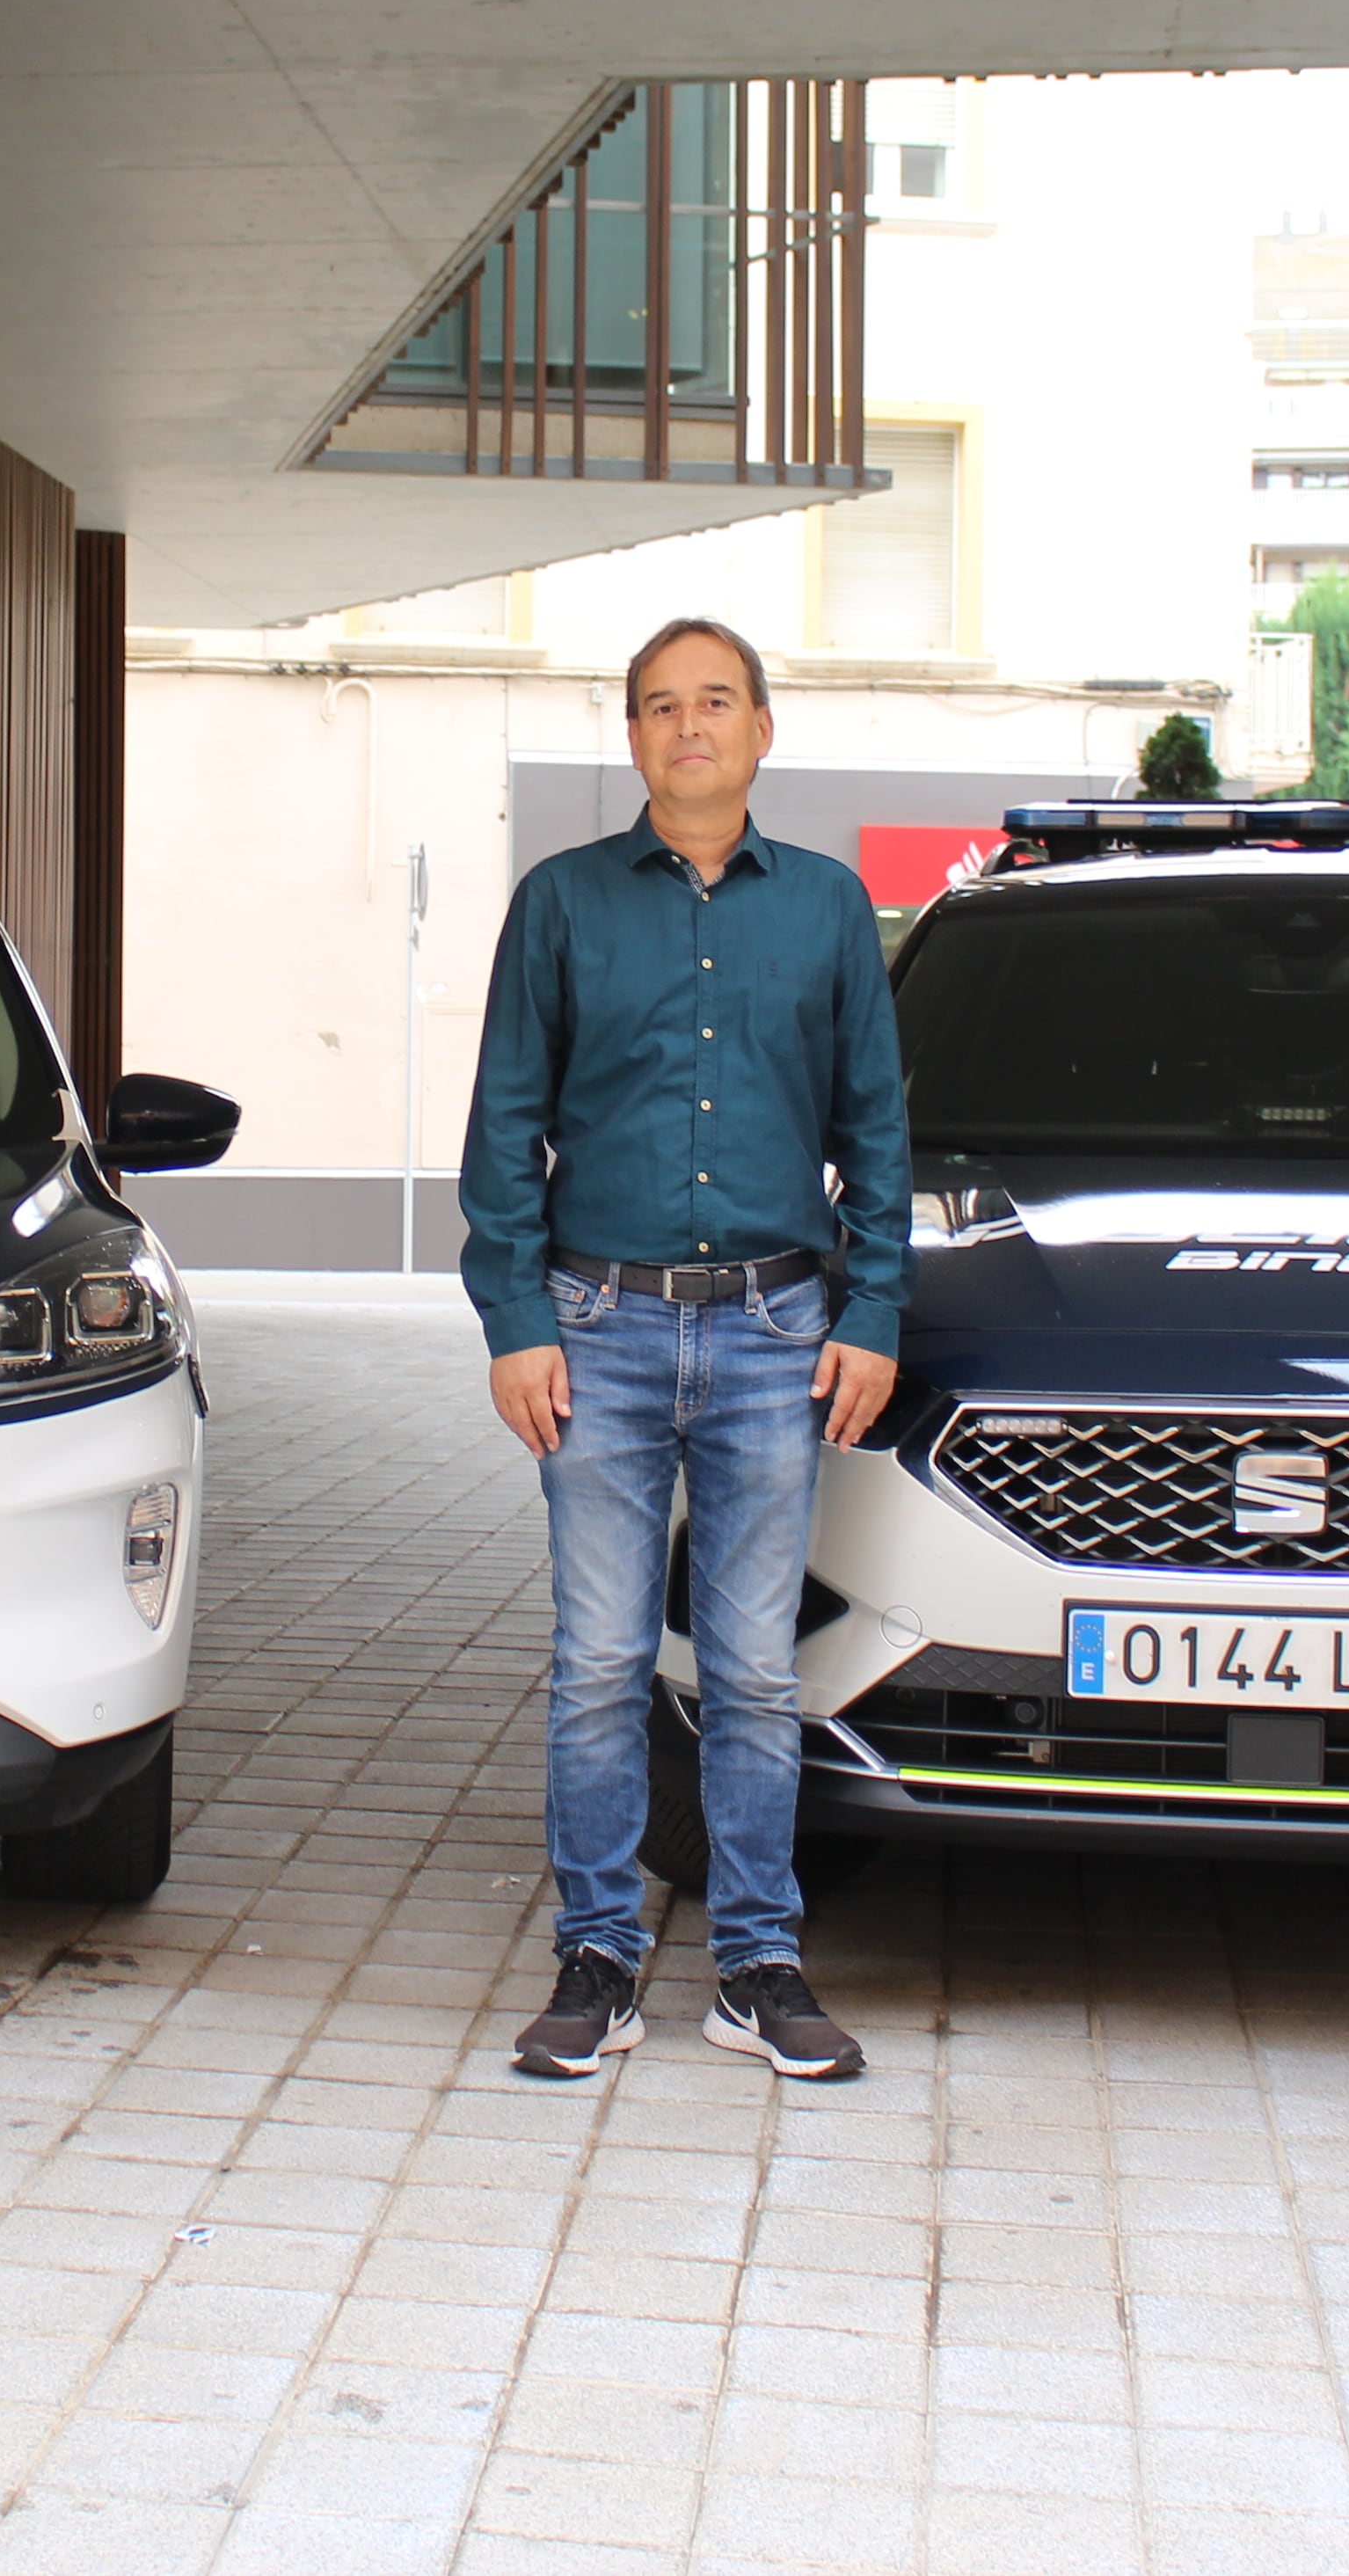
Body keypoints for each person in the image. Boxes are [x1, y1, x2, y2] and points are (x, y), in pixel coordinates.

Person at [461, 617, 909, 2084]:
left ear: (763, 729)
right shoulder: (562, 902)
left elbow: (878, 1129)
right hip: (599, 1330)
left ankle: (758, 1964)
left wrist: (874, 1311)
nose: (690, 724)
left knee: (756, 1670)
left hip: (779, 1333)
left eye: (716, 700)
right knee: (599, 1658)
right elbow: (503, 1128)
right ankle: (597, 1953)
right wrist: (517, 1322)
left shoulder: (829, 908)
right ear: (633, 736)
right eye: (661, 704)